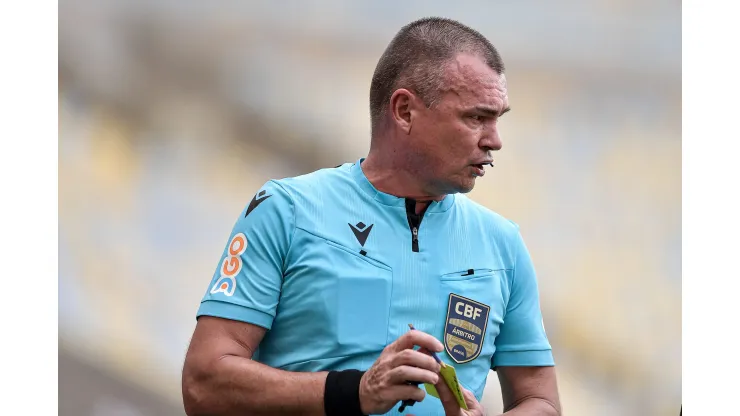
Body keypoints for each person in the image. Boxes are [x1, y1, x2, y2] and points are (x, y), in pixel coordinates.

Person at [182, 16, 561, 416]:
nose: (495, 140)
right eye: (476, 117)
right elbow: (203, 382)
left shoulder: (502, 243)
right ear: (404, 111)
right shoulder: (286, 210)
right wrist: (354, 392)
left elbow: (541, 401)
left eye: (498, 118)